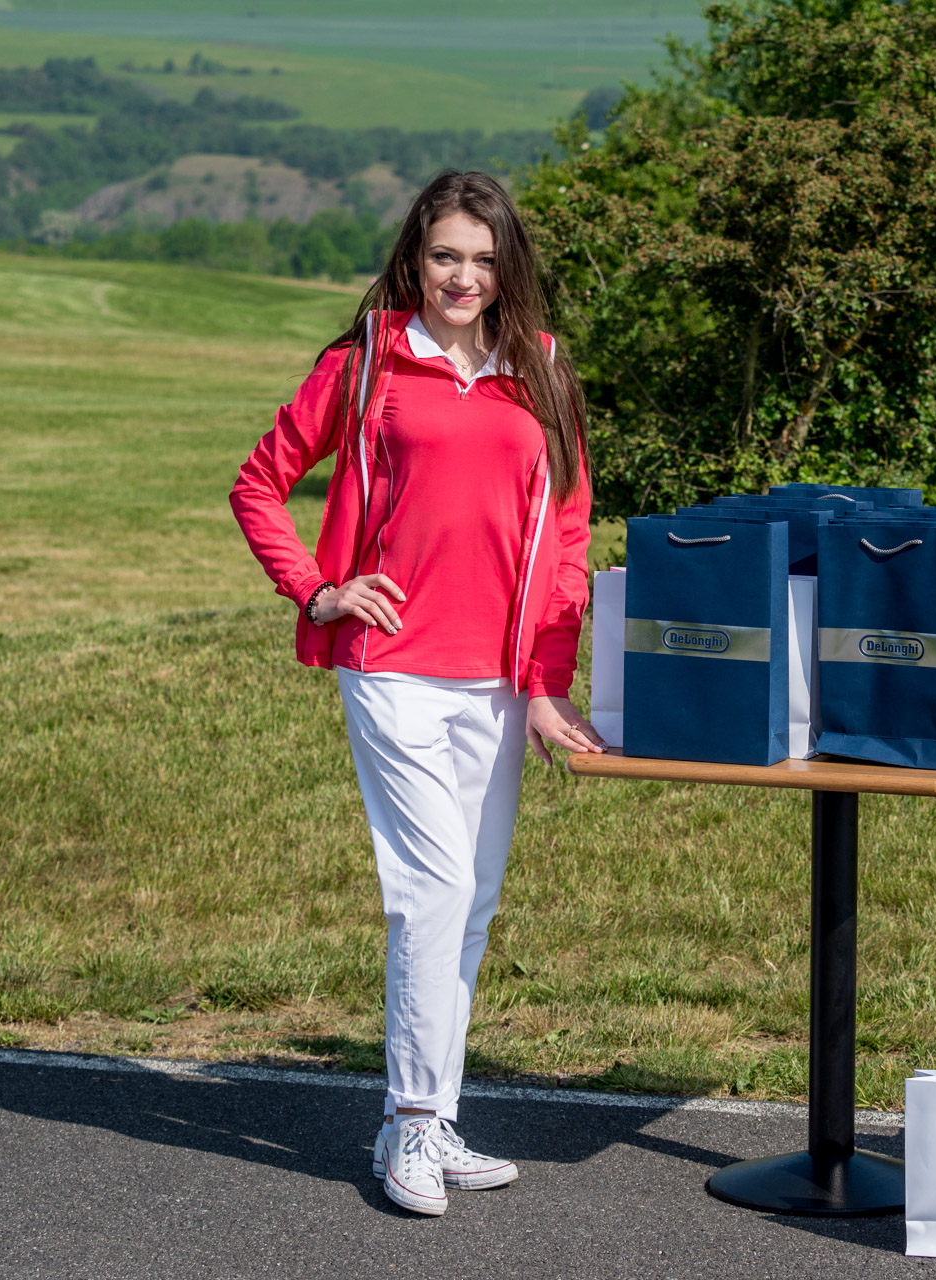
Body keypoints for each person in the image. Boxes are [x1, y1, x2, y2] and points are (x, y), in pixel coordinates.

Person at [229, 170, 606, 1216]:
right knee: (431, 890)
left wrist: (546, 682)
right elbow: (259, 483)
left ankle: (436, 1118)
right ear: (415, 258)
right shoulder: (366, 363)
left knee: (470, 902)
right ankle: (406, 1121)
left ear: (508, 269)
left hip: (498, 681)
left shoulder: (543, 371)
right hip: (392, 669)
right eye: (446, 255)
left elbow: (567, 536)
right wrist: (318, 589)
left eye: (484, 260)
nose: (464, 277)